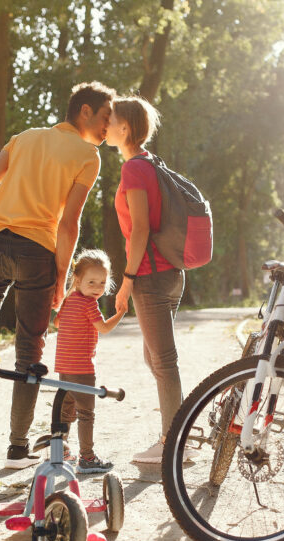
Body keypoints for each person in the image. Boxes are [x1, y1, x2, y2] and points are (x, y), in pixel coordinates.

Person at [0, 81, 115, 469]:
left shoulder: (24, 138)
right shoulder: (87, 156)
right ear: (84, 112)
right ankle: (16, 448)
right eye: (105, 118)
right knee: (29, 351)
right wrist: (62, 278)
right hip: (37, 253)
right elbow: (70, 224)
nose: (107, 128)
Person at [109, 96, 186, 464]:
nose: (105, 125)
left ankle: (173, 443)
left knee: (163, 361)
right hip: (171, 274)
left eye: (110, 120)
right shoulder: (152, 163)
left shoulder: (134, 169)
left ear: (125, 128)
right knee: (154, 358)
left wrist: (126, 281)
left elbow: (139, 230)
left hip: (151, 277)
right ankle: (178, 434)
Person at [54, 249, 127, 474]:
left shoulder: (69, 300)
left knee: (64, 410)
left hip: (64, 366)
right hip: (82, 368)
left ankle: (61, 450)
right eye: (92, 282)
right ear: (77, 280)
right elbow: (103, 328)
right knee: (86, 413)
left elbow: (57, 323)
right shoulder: (88, 304)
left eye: (102, 283)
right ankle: (87, 457)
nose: (97, 288)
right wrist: (121, 313)